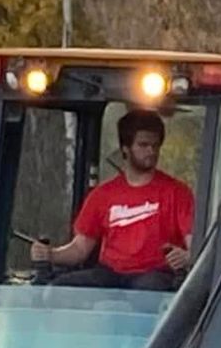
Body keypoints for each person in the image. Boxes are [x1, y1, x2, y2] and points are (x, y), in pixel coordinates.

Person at [30, 110, 194, 290]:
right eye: (144, 145)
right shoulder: (103, 194)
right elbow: (80, 249)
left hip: (155, 274)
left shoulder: (178, 192)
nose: (151, 151)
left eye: (155, 146)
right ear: (126, 148)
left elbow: (193, 244)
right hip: (109, 274)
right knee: (60, 288)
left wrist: (187, 256)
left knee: (147, 290)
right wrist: (50, 254)